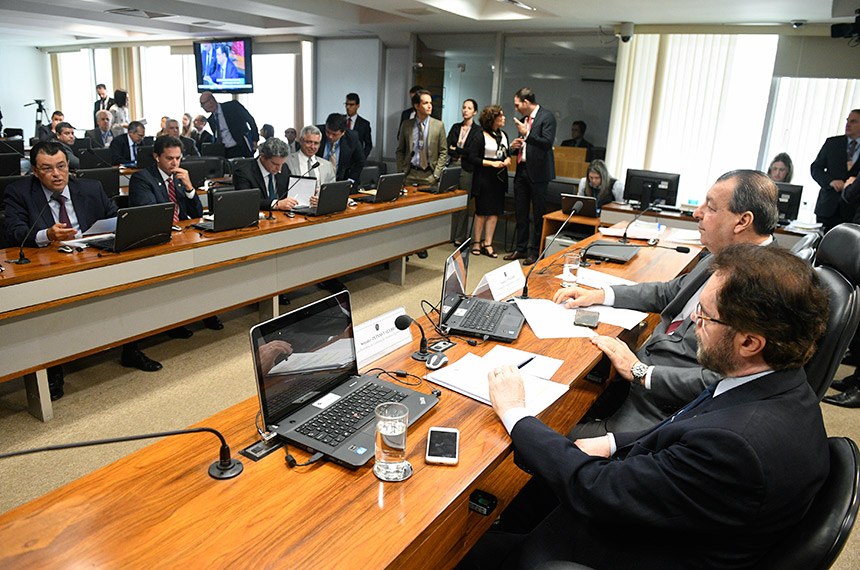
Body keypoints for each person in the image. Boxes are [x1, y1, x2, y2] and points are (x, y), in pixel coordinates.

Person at [466, 244, 829, 569]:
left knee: (469, 555)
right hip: (675, 520)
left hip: (626, 549)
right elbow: (689, 425)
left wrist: (515, 412)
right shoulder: (777, 383)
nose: (694, 325)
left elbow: (594, 488)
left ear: (750, 341)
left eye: (704, 316)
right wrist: (611, 444)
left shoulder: (736, 447)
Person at [556, 169, 779, 436]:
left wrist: (640, 371)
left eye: (710, 207)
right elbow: (669, 291)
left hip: (661, 412)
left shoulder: (765, 285)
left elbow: (726, 381)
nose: (697, 214)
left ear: (742, 221)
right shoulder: (722, 254)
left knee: (549, 439)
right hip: (635, 378)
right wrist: (602, 294)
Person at [3, 142, 162, 397]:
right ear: (34, 170)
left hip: (92, 255)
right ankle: (54, 368)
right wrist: (46, 234)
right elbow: (14, 232)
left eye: (61, 166)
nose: (56, 174)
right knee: (49, 306)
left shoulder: (90, 187)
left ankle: (130, 349)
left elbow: (115, 216)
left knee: (128, 288)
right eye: (47, 168)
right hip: (48, 262)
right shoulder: (18, 192)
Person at [128, 136, 222, 333]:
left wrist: (189, 188)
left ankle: (205, 311)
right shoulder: (142, 178)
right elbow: (150, 213)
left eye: (178, 158)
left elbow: (196, 213)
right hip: (159, 239)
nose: (175, 163)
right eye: (169, 158)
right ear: (156, 157)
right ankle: (175, 321)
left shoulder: (180, 178)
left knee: (208, 264)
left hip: (184, 236)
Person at [505, 87, 556, 266]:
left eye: (517, 104)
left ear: (526, 102)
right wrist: (516, 145)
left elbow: (547, 143)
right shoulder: (524, 119)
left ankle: (535, 251)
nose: (516, 108)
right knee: (521, 212)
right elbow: (528, 144)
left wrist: (527, 134)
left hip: (539, 173)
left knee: (538, 214)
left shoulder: (546, 117)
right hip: (522, 170)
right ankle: (521, 248)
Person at [470, 105, 510, 258]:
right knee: (482, 212)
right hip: (484, 177)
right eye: (501, 116)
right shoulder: (480, 135)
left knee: (494, 212)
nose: (504, 118)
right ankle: (476, 242)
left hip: (499, 178)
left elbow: (506, 153)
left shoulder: (503, 134)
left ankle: (488, 243)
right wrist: (491, 163)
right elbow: (472, 157)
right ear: (492, 119)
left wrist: (507, 159)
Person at [811, 108, 860, 233]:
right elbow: (816, 168)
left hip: (853, 210)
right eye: (847, 121)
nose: (848, 124)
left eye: (853, 121)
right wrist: (830, 181)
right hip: (828, 206)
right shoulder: (833, 143)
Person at [446, 98, 483, 246]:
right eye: (464, 107)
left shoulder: (478, 130)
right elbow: (448, 146)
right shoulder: (455, 127)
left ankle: (460, 237)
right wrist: (457, 151)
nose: (465, 110)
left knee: (463, 203)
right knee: (450, 201)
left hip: (467, 168)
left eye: (469, 108)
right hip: (452, 166)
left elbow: (472, 152)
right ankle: (449, 234)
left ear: (474, 112)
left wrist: (458, 150)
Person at [396, 89, 448, 187]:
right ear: (416, 106)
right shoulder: (407, 125)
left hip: (429, 174)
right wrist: (401, 171)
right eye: (425, 103)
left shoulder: (438, 125)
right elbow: (400, 150)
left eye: (430, 103)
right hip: (410, 174)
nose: (430, 106)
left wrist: (436, 174)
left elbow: (443, 152)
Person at [233, 137, 298, 212]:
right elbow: (246, 201)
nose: (279, 169)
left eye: (282, 164)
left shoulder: (284, 168)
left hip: (282, 216)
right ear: (263, 157)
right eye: (275, 164)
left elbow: (290, 191)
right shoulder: (243, 173)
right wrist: (276, 204)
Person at [199, 90, 258, 158]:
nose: (202, 106)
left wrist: (255, 139)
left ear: (211, 101)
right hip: (225, 152)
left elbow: (250, 120)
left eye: (202, 103)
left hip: (241, 146)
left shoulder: (232, 106)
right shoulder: (211, 119)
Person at [316, 113, 365, 182]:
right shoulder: (316, 133)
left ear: (343, 132)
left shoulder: (352, 138)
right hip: (317, 179)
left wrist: (350, 180)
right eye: (328, 132)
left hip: (340, 180)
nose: (330, 136)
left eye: (334, 134)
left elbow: (360, 161)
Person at [344, 92, 373, 158]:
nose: (348, 107)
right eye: (346, 104)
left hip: (356, 159)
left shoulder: (364, 124)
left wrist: (362, 158)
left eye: (351, 105)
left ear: (357, 106)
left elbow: (368, 145)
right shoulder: (340, 120)